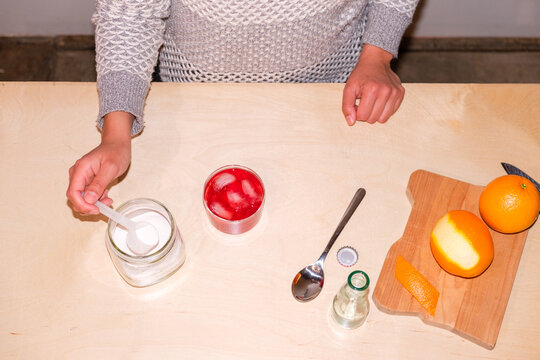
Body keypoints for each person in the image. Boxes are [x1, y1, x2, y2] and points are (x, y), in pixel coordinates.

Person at [67, 0, 419, 215]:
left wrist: (378, 55)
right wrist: (115, 134)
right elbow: (131, 12)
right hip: (198, 103)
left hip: (329, 95)